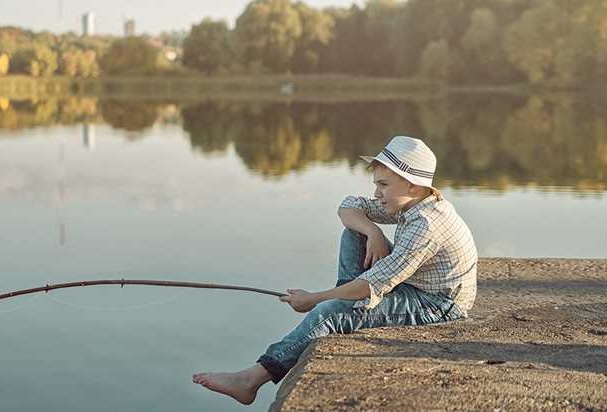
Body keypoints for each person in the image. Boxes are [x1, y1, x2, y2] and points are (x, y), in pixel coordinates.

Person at [192, 135, 477, 405]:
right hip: (412, 285)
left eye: (384, 185)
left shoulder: (426, 226)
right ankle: (348, 309)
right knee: (355, 234)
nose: (376, 193)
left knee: (330, 311)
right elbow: (348, 206)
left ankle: (251, 380)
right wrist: (373, 231)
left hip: (438, 304)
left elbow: (372, 285)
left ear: (412, 186)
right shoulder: (409, 204)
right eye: (376, 184)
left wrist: (316, 299)